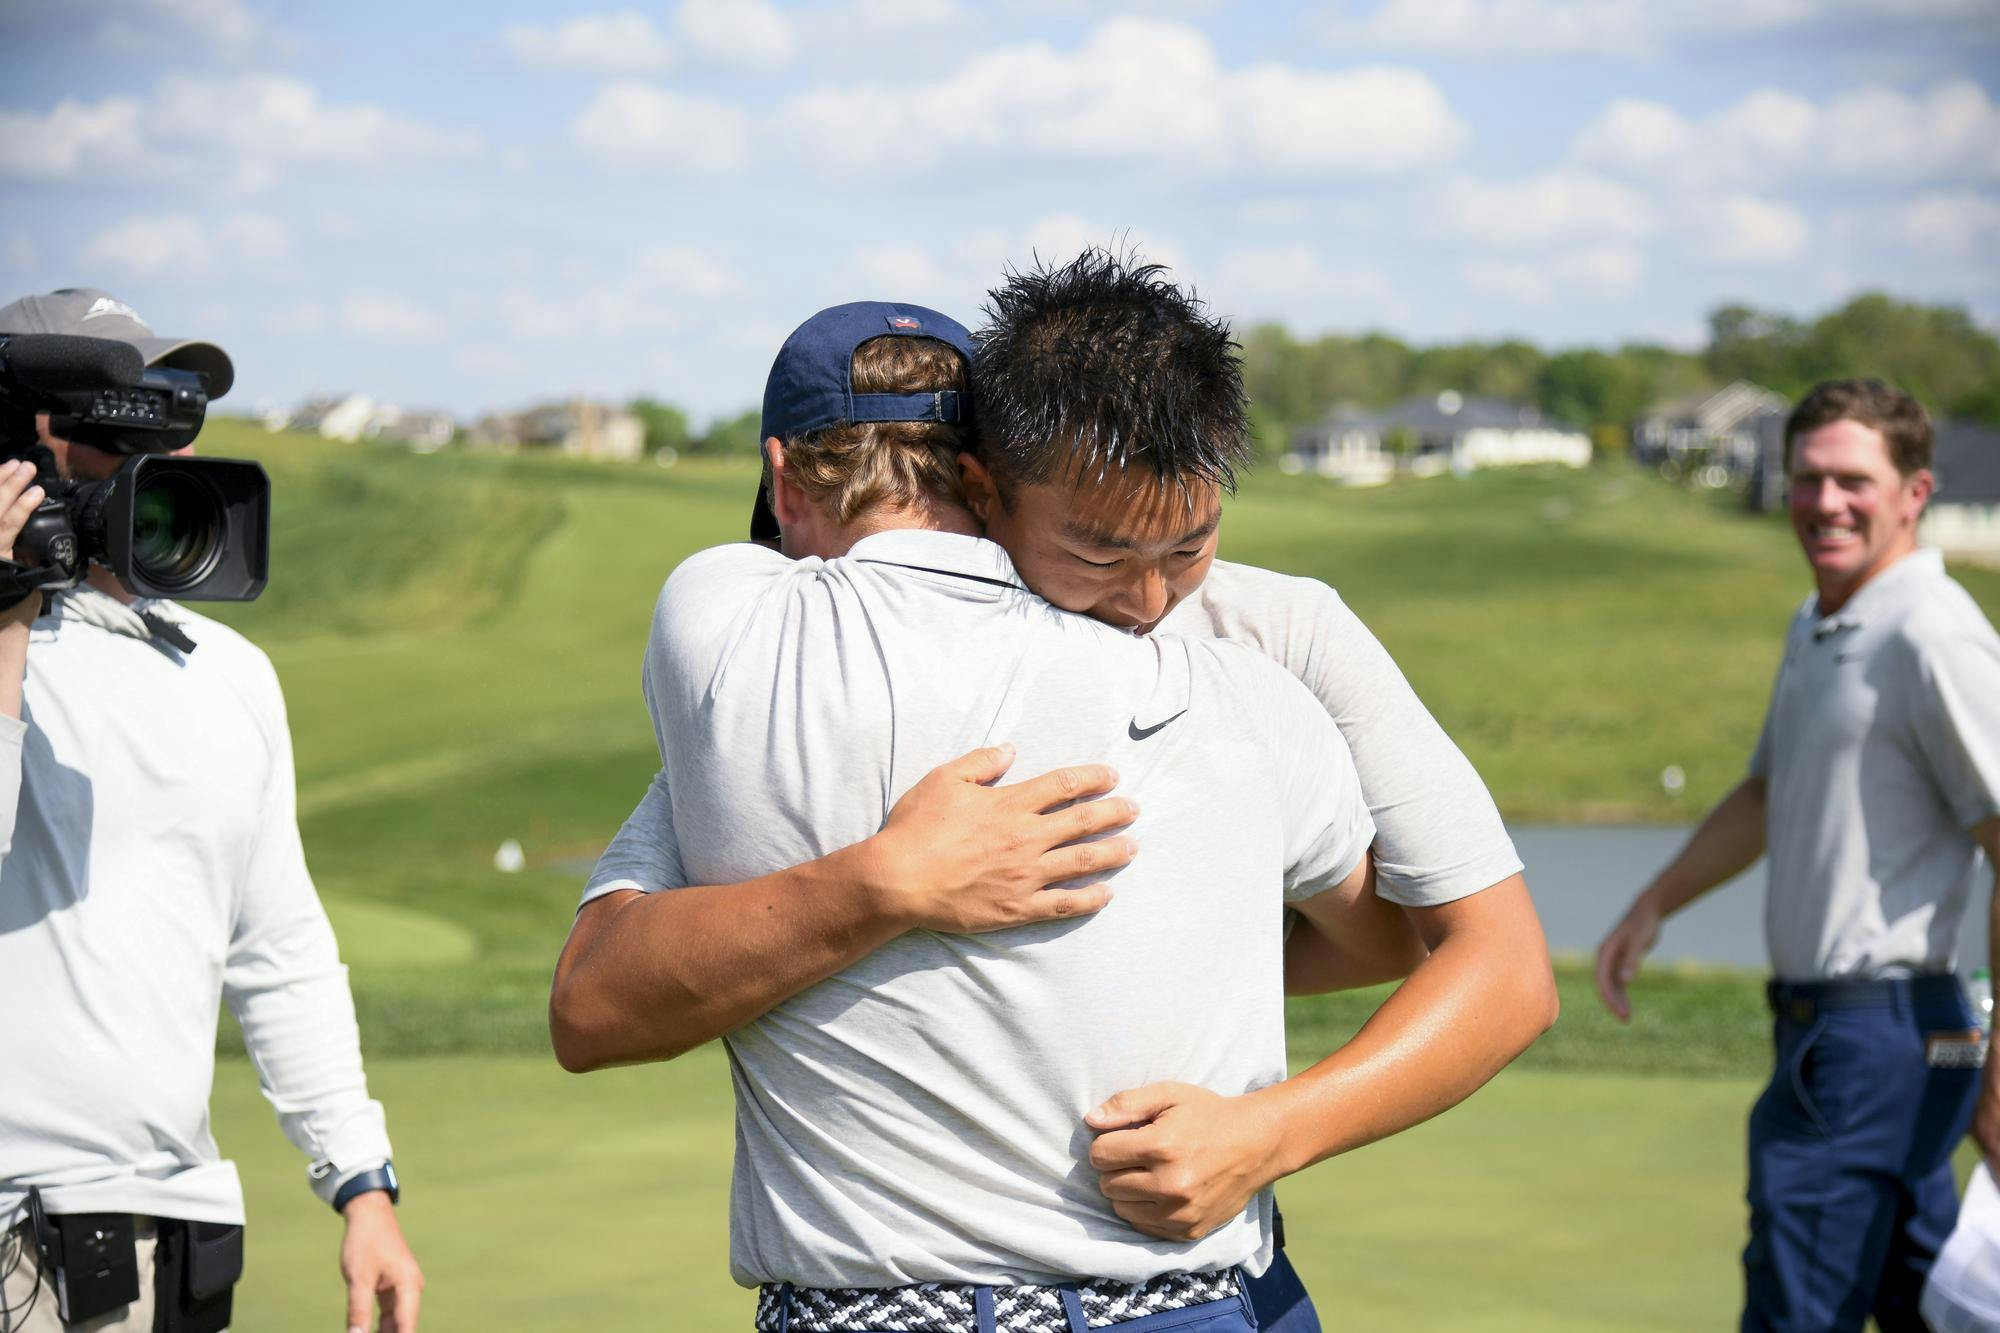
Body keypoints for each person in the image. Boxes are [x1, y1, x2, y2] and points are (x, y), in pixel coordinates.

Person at [554, 257, 1556, 1324]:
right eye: (1096, 550)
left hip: (1220, 1273)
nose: (1149, 599)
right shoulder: (811, 648)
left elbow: (1483, 959)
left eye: (1190, 544)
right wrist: (891, 887)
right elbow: (598, 1002)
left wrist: (1266, 1123)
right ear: (982, 491)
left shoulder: (1281, 638)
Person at [0, 289, 422, 1333]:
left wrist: (361, 1184)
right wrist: (6, 619)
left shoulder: (230, 673)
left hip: (175, 1233)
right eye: (111, 431)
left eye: (171, 425)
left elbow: (276, 943)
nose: (162, 469)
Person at [1595, 378, 2000, 1332]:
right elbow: (1768, 794)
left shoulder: (1931, 631)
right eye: (1807, 478)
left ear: (1915, 491)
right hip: (1859, 1034)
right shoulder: (1820, 622)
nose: (1825, 502)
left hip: (1880, 1034)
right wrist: (1655, 901)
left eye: (1853, 479)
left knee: (1794, 1313)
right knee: (1927, 1313)